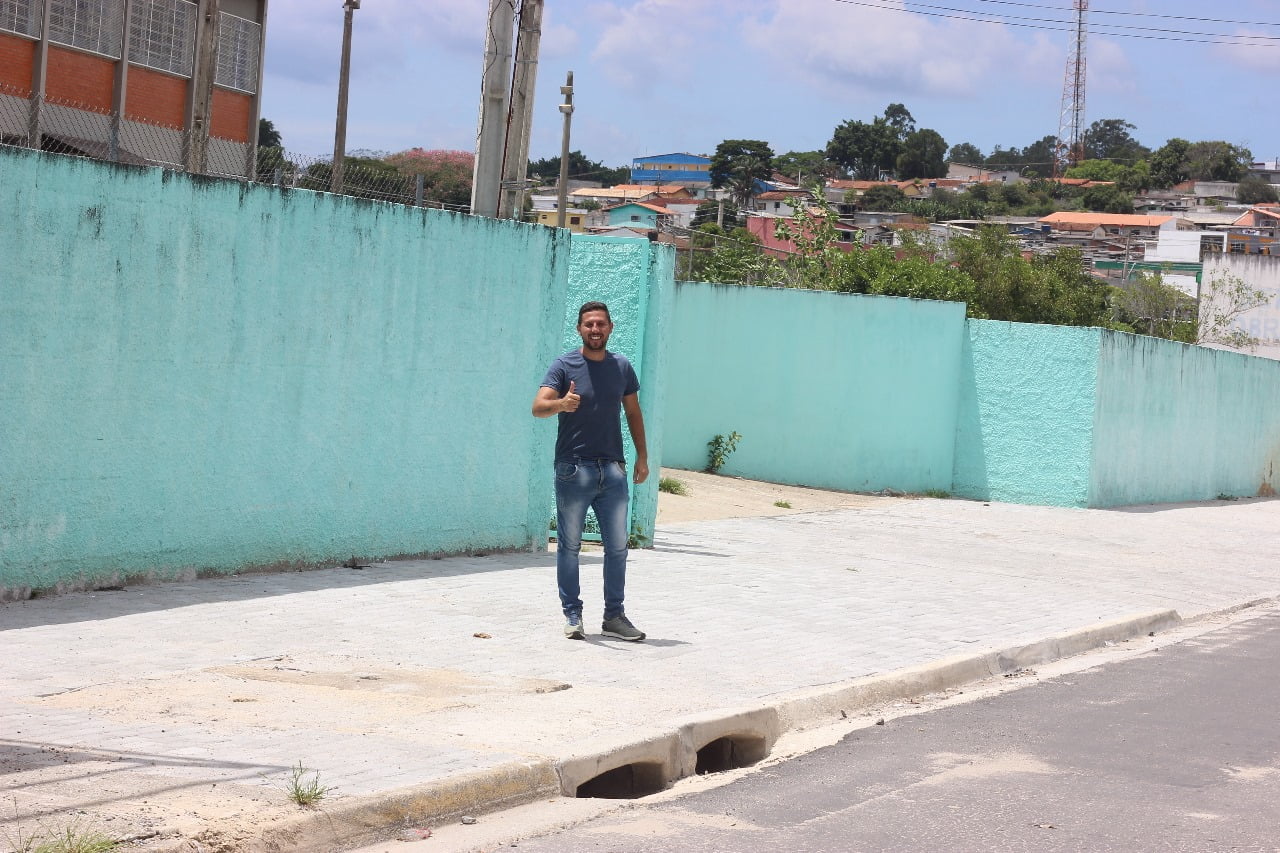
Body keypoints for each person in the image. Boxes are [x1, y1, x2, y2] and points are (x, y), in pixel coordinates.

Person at [532, 301, 649, 641]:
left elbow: (633, 413)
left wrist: (642, 456)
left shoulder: (622, 367)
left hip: (612, 469)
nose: (595, 330)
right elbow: (538, 407)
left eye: (600, 324)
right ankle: (572, 615)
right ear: (580, 329)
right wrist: (561, 404)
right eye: (588, 325)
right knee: (570, 547)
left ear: (610, 328)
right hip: (574, 468)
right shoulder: (564, 365)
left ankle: (614, 616)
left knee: (617, 547)